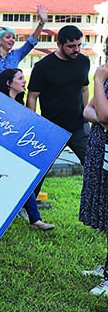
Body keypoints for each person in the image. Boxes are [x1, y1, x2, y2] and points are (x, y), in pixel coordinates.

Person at [27, 25, 90, 200]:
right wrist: (33, 123)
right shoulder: (43, 67)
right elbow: (32, 97)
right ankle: (27, 207)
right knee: (39, 170)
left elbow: (85, 89)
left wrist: (86, 116)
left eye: (79, 45)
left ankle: (98, 205)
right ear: (59, 44)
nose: (76, 50)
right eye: (71, 46)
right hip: (51, 129)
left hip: (78, 126)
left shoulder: (84, 61)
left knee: (94, 164)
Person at [0, 68, 55, 230]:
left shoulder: (18, 103)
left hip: (16, 152)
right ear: (8, 83)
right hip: (0, 153)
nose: (24, 81)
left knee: (23, 182)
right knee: (20, 182)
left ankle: (35, 219)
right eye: (20, 78)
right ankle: (34, 220)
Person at [79, 51, 108, 296]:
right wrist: (100, 117)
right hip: (101, 151)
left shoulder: (102, 77)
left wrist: (98, 80)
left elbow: (105, 114)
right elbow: (88, 111)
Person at [0, 5, 48, 85]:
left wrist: (42, 23)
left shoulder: (16, 55)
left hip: (8, 96)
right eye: (8, 37)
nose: (12, 40)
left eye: (13, 38)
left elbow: (31, 42)